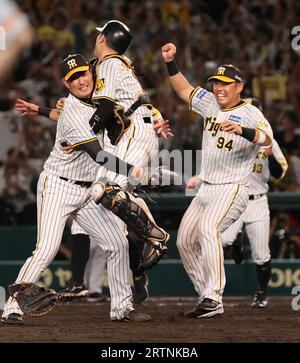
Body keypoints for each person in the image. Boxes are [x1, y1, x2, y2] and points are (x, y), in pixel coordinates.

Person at [1, 54, 154, 325]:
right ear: (65, 83)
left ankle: (122, 308)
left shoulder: (98, 101)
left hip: (87, 191)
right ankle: (12, 306)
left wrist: (39, 110)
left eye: (84, 74)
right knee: (46, 249)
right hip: (59, 186)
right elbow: (98, 155)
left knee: (117, 243)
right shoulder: (72, 113)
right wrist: (133, 170)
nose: (81, 80)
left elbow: (114, 109)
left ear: (92, 74)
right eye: (74, 78)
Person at [161, 42, 273, 318]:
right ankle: (206, 297)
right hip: (206, 188)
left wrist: (244, 130)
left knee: (208, 228)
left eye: (225, 83)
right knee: (184, 241)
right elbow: (184, 89)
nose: (219, 88)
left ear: (239, 86)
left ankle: (214, 295)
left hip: (233, 187)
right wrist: (170, 62)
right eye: (216, 83)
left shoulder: (251, 113)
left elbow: (267, 139)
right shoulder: (210, 102)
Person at [220, 99, 288, 308]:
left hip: (258, 201)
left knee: (261, 254)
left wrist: (269, 157)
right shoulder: (234, 135)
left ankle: (262, 293)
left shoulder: (269, 141)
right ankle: (236, 242)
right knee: (222, 241)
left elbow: (279, 174)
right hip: (235, 196)